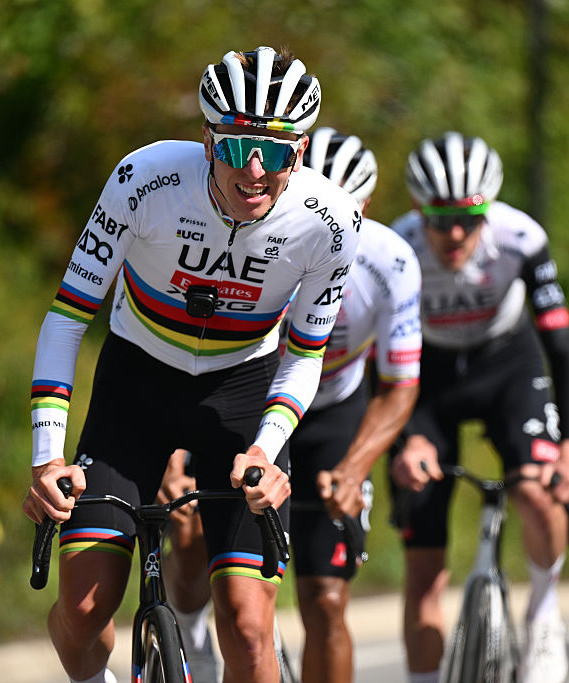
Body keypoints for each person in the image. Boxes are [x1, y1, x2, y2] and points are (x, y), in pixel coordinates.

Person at [21, 46, 362, 683]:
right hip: (135, 388)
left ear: (301, 152)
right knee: (84, 611)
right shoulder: (144, 179)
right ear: (208, 141)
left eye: (276, 153)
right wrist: (46, 457)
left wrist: (266, 451)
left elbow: (305, 354)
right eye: (236, 147)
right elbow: (67, 317)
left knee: (251, 631)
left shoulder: (332, 223)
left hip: (241, 396)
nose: (254, 171)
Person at [158, 128, 424, 683]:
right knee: (190, 537)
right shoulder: (245, 240)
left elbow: (400, 384)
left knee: (325, 600)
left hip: (332, 414)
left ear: (366, 209)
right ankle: (194, 637)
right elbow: (191, 356)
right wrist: (175, 456)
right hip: (244, 401)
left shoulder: (392, 262)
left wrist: (355, 469)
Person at [387, 131, 569, 683]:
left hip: (507, 367)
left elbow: (562, 351)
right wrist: (406, 439)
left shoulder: (521, 239)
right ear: (418, 210)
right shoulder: (396, 249)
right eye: (440, 219)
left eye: (469, 218)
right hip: (426, 379)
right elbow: (379, 360)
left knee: (537, 490)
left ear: (488, 210)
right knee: (424, 568)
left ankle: (543, 611)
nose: (454, 233)